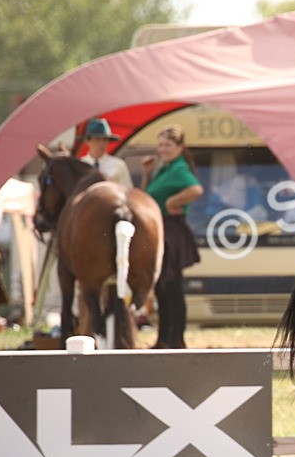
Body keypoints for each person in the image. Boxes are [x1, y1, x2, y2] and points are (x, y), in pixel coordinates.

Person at [141, 125, 203, 349]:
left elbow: (196, 189)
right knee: (161, 287)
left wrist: (173, 202)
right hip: (159, 229)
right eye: (160, 145)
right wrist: (147, 174)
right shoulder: (164, 168)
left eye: (167, 145)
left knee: (172, 287)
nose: (163, 149)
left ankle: (176, 339)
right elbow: (146, 198)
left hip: (172, 231)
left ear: (179, 147)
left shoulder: (179, 168)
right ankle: (164, 339)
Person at [80, 118, 133, 187]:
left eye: (105, 140)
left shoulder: (118, 164)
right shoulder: (80, 165)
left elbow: (128, 190)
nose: (102, 144)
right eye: (97, 139)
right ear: (87, 141)